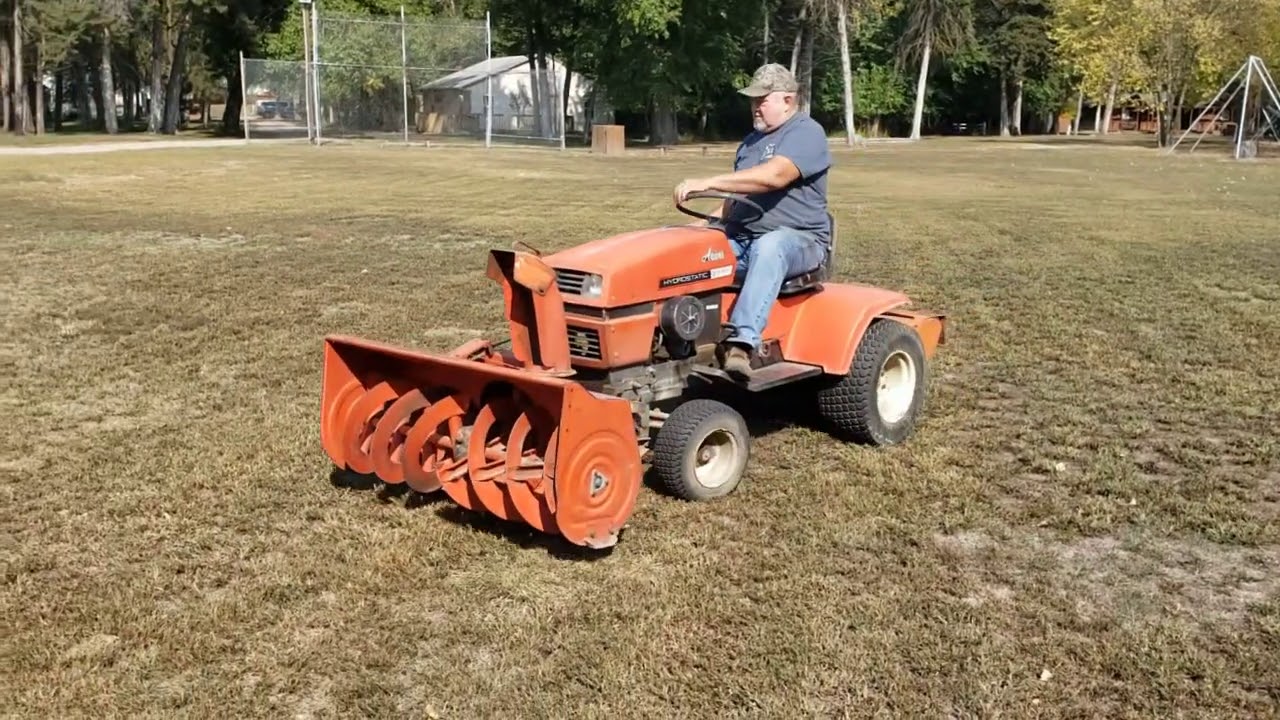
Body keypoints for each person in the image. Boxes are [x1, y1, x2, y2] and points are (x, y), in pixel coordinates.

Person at [674, 63, 832, 378]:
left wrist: (709, 182)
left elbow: (774, 177)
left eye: (762, 100)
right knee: (683, 252)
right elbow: (736, 202)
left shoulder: (807, 132)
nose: (755, 107)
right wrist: (700, 230)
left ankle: (741, 345)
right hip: (744, 239)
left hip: (800, 241)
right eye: (752, 100)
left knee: (770, 246)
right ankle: (679, 341)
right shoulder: (749, 143)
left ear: (788, 100)